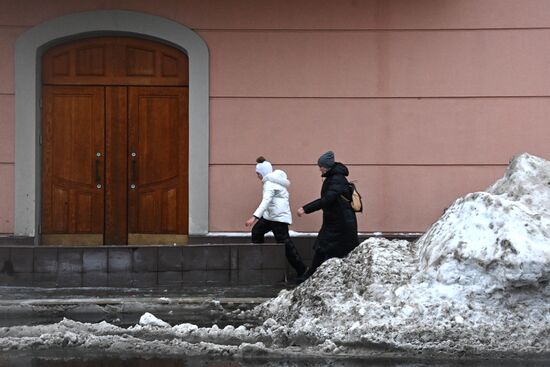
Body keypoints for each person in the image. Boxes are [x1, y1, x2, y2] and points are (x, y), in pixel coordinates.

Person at [297, 150, 359, 279]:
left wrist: (305, 209)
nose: (320, 169)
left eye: (321, 167)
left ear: (326, 167)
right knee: (324, 248)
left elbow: (327, 200)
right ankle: (313, 275)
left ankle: (312, 275)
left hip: (340, 223)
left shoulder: (336, 179)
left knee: (326, 248)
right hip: (337, 221)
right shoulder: (335, 177)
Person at [245, 156, 306, 278]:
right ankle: (260, 260)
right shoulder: (273, 181)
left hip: (278, 218)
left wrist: (254, 217)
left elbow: (266, 201)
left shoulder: (269, 183)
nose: (257, 176)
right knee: (257, 232)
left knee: (285, 244)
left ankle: (302, 270)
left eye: (258, 173)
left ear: (263, 173)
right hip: (270, 217)